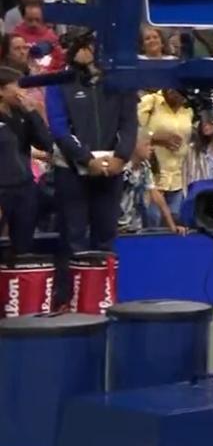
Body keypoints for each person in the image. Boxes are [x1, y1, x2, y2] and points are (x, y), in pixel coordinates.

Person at [45, 34, 138, 307]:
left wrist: (121, 157)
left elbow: (129, 125)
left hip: (111, 171)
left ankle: (103, 299)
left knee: (106, 237)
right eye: (81, 45)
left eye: (90, 45)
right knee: (73, 237)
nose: (86, 50)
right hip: (72, 171)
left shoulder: (120, 83)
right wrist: (87, 159)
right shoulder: (58, 83)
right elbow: (60, 129)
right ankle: (69, 301)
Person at [0, 66, 52, 255]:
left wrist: (33, 114)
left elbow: (46, 143)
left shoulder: (22, 115)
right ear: (1, 90)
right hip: (2, 189)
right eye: (17, 86)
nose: (22, 92)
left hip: (24, 188)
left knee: (23, 246)